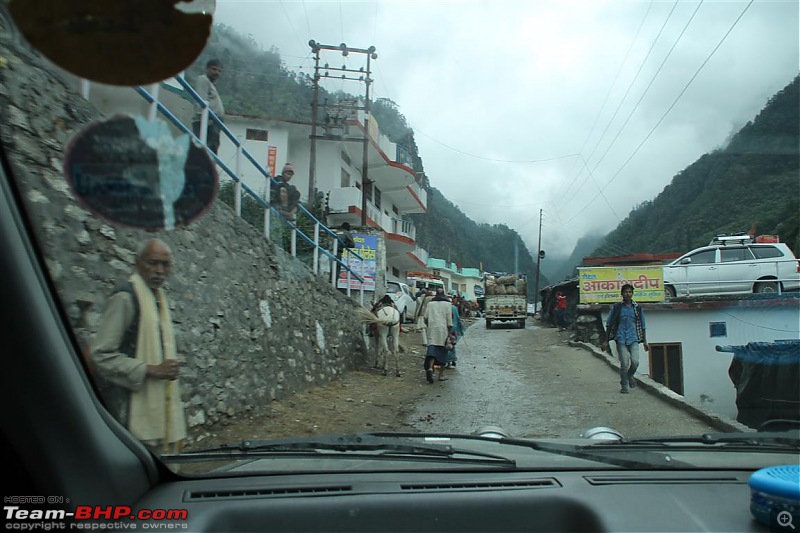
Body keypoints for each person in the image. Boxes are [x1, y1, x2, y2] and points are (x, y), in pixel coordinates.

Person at [91, 239, 187, 453]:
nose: (159, 270)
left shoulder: (159, 299)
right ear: (137, 263)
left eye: (165, 265)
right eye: (153, 263)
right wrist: (150, 369)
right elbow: (101, 355)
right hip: (129, 411)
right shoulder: (126, 298)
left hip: (160, 407)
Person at [602, 283, 649, 394]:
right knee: (624, 363)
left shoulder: (637, 308)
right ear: (622, 294)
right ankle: (624, 384)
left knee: (635, 362)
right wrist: (605, 340)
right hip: (621, 337)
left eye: (630, 292)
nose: (628, 294)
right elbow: (609, 324)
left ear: (632, 294)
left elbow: (643, 325)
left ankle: (629, 375)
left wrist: (645, 341)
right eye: (626, 292)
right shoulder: (617, 307)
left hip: (633, 338)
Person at [191, 59, 225, 155]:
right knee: (205, 150)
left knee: (212, 149)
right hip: (206, 121)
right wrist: (207, 119)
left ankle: (208, 168)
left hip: (212, 122)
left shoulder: (211, 84)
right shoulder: (203, 79)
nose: (217, 73)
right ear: (207, 69)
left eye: (219, 71)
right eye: (214, 69)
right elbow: (201, 101)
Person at [423, 290, 453, 383]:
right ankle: (441, 375)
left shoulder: (430, 304)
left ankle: (431, 369)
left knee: (432, 351)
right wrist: (450, 332)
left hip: (432, 329)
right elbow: (449, 320)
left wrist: (428, 324)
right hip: (442, 330)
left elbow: (425, 317)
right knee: (442, 352)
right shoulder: (447, 305)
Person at [445, 297, 466, 368]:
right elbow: (458, 319)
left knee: (447, 345)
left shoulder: (445, 308)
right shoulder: (454, 308)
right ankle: (452, 361)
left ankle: (448, 361)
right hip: (454, 329)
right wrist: (461, 330)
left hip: (447, 329)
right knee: (452, 345)